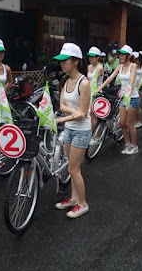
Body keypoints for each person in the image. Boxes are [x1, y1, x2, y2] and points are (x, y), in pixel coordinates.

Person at [54, 42, 92, 218]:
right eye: (61, 60)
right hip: (69, 129)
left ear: (75, 61)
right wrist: (71, 112)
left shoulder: (83, 83)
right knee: (72, 167)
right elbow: (62, 104)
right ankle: (74, 198)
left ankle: (83, 204)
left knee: (73, 169)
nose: (62, 63)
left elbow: (83, 114)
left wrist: (62, 118)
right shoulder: (65, 80)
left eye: (65, 60)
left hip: (82, 131)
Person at [97, 45, 139, 155]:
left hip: (133, 98)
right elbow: (110, 78)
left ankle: (134, 146)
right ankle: (127, 144)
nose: (120, 56)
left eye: (123, 54)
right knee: (122, 123)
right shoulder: (120, 67)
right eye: (120, 54)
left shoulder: (133, 66)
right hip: (123, 98)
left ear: (128, 56)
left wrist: (128, 93)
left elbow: (132, 80)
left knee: (130, 124)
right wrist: (99, 88)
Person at [87, 46, 104, 128]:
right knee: (88, 114)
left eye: (92, 56)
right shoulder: (89, 67)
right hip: (88, 92)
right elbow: (87, 80)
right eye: (89, 56)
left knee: (92, 113)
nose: (90, 58)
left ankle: (93, 133)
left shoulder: (100, 67)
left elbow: (93, 81)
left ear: (97, 57)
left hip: (96, 92)